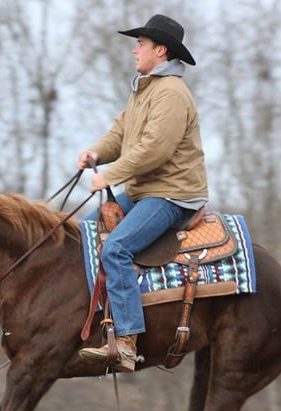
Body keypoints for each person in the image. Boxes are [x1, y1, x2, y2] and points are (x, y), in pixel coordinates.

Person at [77, 14, 209, 372]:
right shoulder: (144, 88)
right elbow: (120, 134)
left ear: (160, 50)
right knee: (83, 234)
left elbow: (155, 150)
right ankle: (94, 320)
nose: (135, 50)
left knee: (116, 248)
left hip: (171, 195)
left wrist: (110, 176)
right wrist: (96, 153)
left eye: (141, 44)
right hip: (143, 191)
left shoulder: (172, 94)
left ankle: (126, 341)